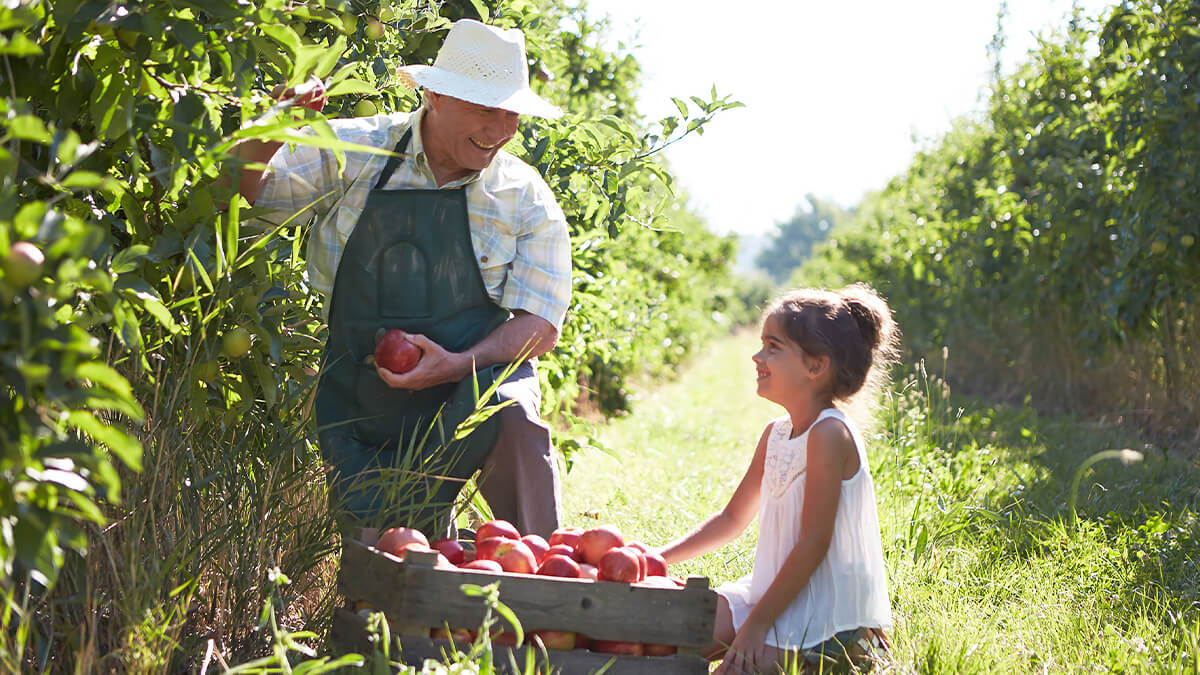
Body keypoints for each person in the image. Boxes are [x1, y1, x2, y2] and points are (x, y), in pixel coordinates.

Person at [225, 19, 571, 538]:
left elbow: (540, 325)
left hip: (472, 384)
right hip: (364, 386)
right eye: (484, 109)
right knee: (387, 562)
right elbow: (242, 198)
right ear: (434, 95)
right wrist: (266, 132)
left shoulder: (524, 196)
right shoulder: (355, 151)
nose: (500, 130)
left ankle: (541, 582)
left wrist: (456, 365)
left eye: (511, 114)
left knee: (516, 415)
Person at [658, 284, 899, 673]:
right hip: (771, 592)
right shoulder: (776, 433)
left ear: (815, 367)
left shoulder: (829, 433)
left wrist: (754, 627)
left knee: (733, 668)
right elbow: (732, 519)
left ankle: (855, 649)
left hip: (827, 613)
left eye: (773, 346)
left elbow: (813, 543)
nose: (757, 356)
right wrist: (657, 559)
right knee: (667, 632)